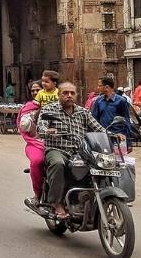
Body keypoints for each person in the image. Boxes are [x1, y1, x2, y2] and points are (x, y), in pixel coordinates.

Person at [37, 82, 113, 219]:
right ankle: (56, 202)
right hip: (57, 149)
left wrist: (113, 135)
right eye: (65, 93)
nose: (69, 96)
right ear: (59, 95)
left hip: (80, 151)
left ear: (76, 95)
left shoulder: (83, 112)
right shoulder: (49, 110)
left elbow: (99, 128)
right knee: (58, 164)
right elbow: (41, 128)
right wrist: (47, 131)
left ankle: (89, 197)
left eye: (72, 93)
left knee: (100, 165)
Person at [18, 81, 44, 205]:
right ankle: (38, 194)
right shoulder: (28, 107)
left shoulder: (57, 105)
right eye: (33, 90)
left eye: (37, 90)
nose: (35, 92)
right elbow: (24, 126)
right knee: (37, 161)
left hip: (57, 142)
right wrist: (38, 112)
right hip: (35, 142)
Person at [91, 76, 132, 152]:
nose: (98, 88)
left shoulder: (121, 101)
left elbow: (126, 120)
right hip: (103, 137)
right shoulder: (98, 101)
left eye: (100, 86)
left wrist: (129, 142)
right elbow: (93, 120)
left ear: (106, 87)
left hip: (118, 137)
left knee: (119, 161)